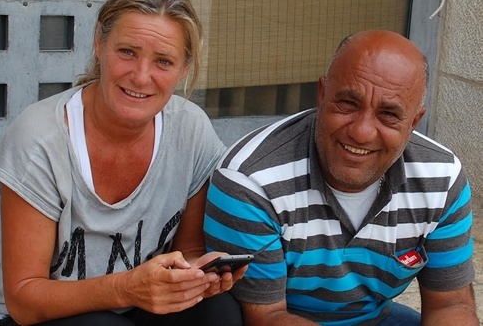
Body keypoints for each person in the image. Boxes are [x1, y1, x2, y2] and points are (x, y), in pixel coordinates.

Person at [0, 0, 246, 326]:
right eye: (127, 52)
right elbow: (25, 299)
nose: (140, 76)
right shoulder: (41, 138)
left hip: (130, 307)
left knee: (218, 313)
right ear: (98, 44)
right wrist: (128, 289)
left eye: (163, 61)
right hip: (25, 317)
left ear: (183, 69)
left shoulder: (190, 130)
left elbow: (187, 253)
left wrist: (197, 278)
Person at [203, 30, 479, 325]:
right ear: (322, 94)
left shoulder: (442, 178)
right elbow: (265, 317)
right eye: (348, 103)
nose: (361, 132)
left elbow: (450, 305)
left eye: (388, 114)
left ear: (414, 122)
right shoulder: (249, 180)